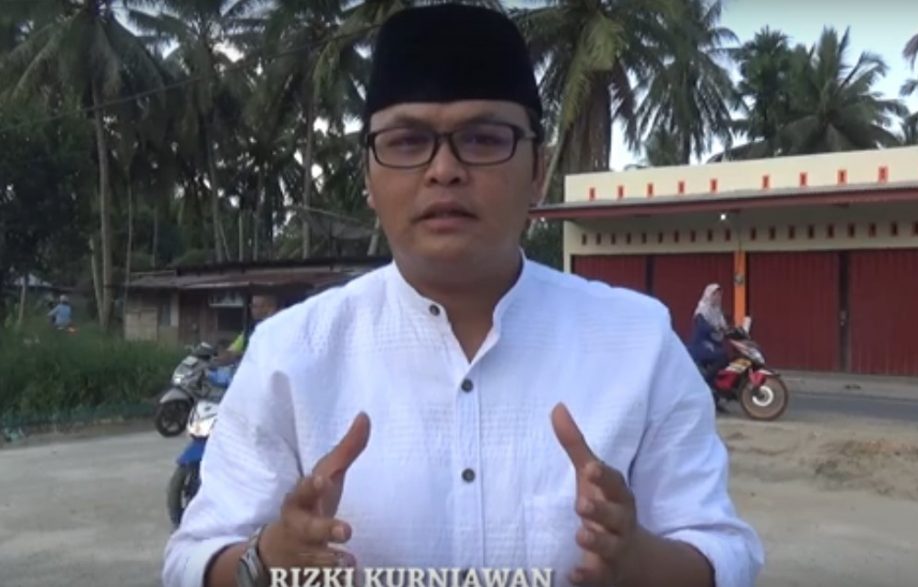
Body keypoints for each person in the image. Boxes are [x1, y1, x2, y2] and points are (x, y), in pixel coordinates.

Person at [161, 6, 763, 587]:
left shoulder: (638, 342)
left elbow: (724, 552)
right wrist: (268, 561)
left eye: (483, 138)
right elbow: (192, 559)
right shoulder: (290, 353)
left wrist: (640, 563)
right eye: (406, 141)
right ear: (368, 175)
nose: (444, 169)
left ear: (538, 170)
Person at [215, 293, 278, 366]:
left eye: (255, 306)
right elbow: (232, 351)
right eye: (252, 306)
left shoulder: (278, 330)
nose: (252, 309)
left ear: (270, 307)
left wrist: (241, 355)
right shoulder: (250, 330)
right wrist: (219, 357)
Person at [689, 284, 732, 384]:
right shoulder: (702, 310)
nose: (718, 297)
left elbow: (723, 325)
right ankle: (706, 382)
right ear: (709, 295)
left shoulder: (717, 310)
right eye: (715, 294)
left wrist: (729, 330)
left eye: (719, 295)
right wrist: (713, 328)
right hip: (702, 344)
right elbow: (702, 325)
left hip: (714, 344)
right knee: (723, 357)